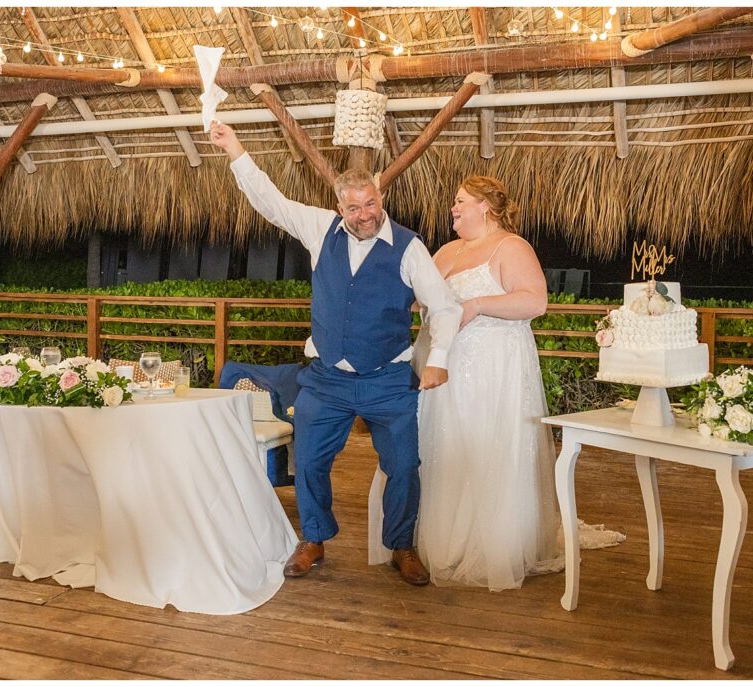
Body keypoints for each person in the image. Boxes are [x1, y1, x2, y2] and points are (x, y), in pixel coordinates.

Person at [210, 120, 462, 586]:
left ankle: (402, 546)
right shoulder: (320, 228)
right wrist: (236, 149)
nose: (364, 215)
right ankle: (315, 539)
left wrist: (439, 358)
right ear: (339, 206)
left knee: (404, 464)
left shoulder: (408, 247)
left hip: (388, 378)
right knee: (307, 460)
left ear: (379, 198)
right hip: (326, 377)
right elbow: (271, 202)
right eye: (354, 208)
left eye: (370, 204)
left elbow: (444, 306)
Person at [411, 176, 621, 591]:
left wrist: (476, 305)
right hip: (443, 368)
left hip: (493, 367)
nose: (452, 208)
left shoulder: (511, 247)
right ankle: (441, 538)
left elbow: (534, 300)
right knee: (448, 445)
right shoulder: (446, 251)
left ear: (484, 207)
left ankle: (497, 544)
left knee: (488, 443)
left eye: (460, 201)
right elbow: (421, 299)